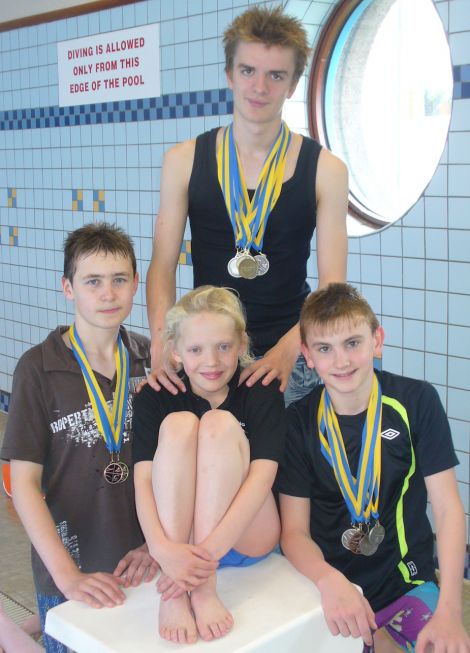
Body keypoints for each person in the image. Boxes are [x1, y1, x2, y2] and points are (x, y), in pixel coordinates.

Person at [146, 5, 348, 405]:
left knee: (282, 466)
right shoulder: (183, 161)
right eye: (248, 71)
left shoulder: (326, 170)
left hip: (291, 344)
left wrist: (291, 349)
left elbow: (332, 287)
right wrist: (161, 343)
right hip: (208, 347)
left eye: (276, 75)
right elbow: (161, 265)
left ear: (292, 84)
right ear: (229, 75)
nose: (260, 87)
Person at [277, 282, 470, 653]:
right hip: (328, 586)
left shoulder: (417, 401)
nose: (341, 361)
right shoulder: (298, 423)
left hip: (406, 584)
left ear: (376, 340)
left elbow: (447, 509)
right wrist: (330, 582)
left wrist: (450, 609)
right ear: (308, 355)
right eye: (324, 349)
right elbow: (294, 532)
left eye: (353, 343)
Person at [1, 223, 159, 653]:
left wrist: (155, 545)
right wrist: (67, 574)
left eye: (119, 280)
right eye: (93, 281)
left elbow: (175, 468)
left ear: (135, 284)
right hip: (68, 571)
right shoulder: (38, 369)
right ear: (68, 288)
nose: (108, 294)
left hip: (145, 565)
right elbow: (24, 484)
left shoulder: (151, 361)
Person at [133, 285, 286, 644]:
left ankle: (201, 590)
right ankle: (175, 597)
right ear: (175, 352)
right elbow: (142, 480)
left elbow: (263, 478)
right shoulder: (156, 397)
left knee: (219, 424)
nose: (211, 362)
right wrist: (161, 551)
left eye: (223, 347)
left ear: (242, 345)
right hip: (178, 544)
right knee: (180, 424)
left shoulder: (261, 389)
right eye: (196, 349)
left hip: (248, 536)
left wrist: (201, 567)